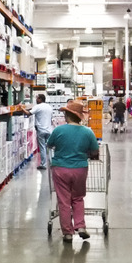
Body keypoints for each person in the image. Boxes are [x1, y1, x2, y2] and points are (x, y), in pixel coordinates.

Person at [47, 101, 100, 242]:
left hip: (60, 169)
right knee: (78, 198)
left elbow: (49, 144)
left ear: (67, 115)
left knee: (64, 201)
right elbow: (95, 151)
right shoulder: (88, 132)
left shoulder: (58, 130)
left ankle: (68, 233)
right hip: (80, 169)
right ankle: (80, 226)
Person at [21, 94, 53, 170]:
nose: (36, 100)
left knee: (42, 147)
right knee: (50, 147)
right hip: (49, 130)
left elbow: (28, 113)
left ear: (40, 99)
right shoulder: (49, 107)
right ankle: (52, 163)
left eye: (37, 98)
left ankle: (43, 164)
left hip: (41, 130)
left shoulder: (38, 106)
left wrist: (21, 108)